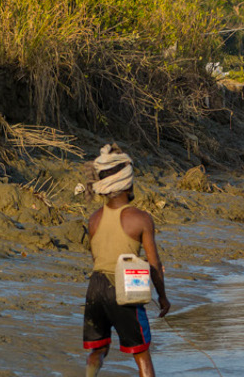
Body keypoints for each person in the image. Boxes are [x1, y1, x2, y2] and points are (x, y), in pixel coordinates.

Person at [82, 144, 170, 377]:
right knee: (141, 354)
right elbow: (154, 265)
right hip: (123, 290)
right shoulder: (141, 219)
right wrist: (162, 297)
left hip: (95, 288)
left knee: (98, 349)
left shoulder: (94, 219)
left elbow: (96, 259)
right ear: (126, 183)